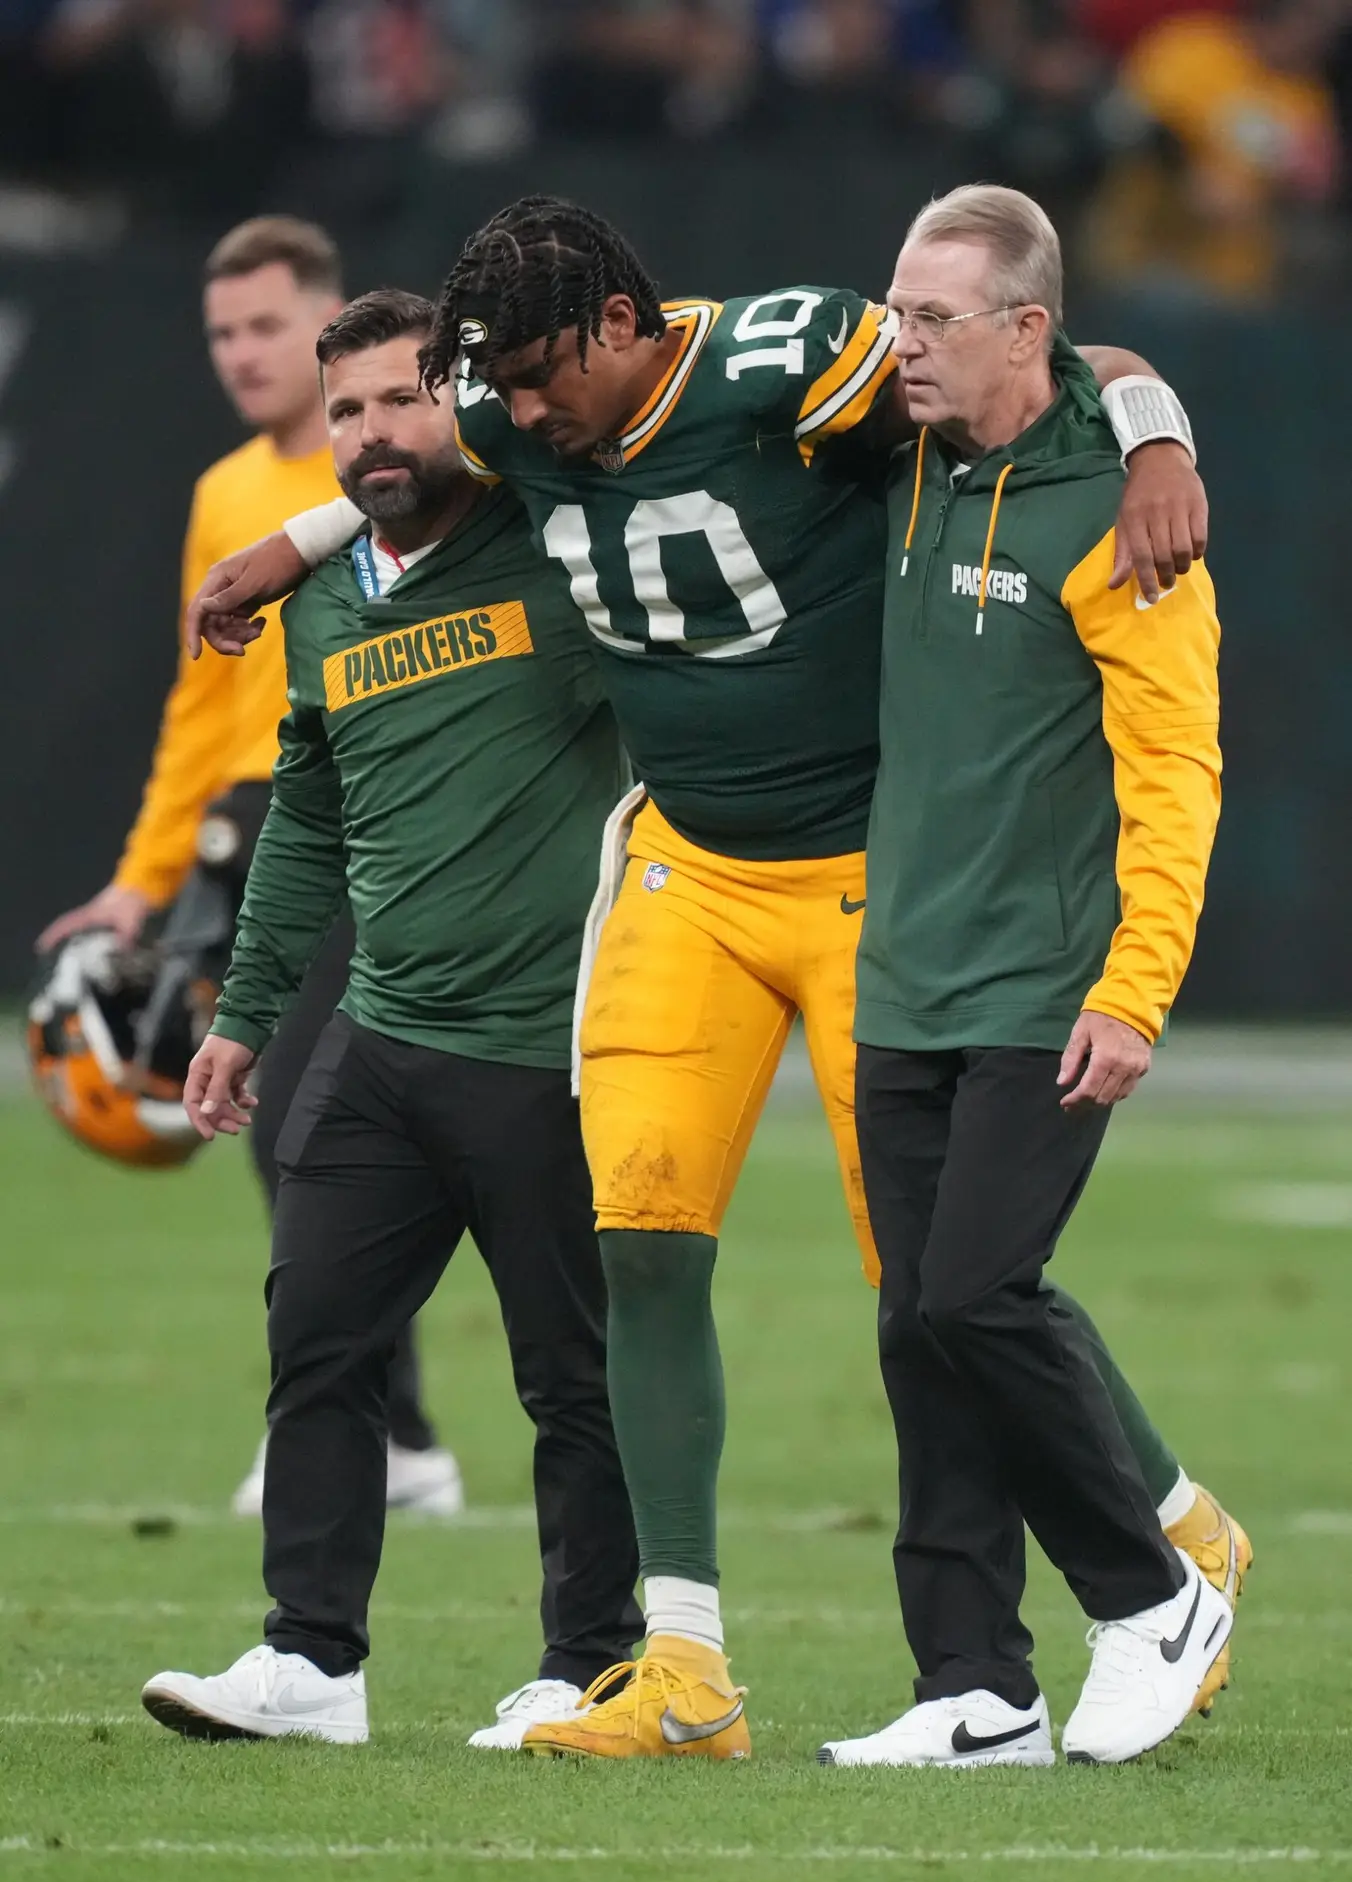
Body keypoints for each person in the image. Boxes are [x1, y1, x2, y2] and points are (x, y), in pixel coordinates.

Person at [185, 198, 1245, 1763]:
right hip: (687, 866)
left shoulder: (790, 357)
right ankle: (682, 1671)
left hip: (879, 873)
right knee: (646, 1240)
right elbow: (423, 465)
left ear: (619, 331)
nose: (523, 412)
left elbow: (1047, 363)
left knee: (944, 1291)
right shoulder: (508, 390)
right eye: (506, 385)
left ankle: (1146, 1547)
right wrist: (299, 535)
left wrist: (1156, 437)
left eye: (547, 375)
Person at [140, 290, 641, 1749]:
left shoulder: (559, 537)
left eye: (402, 401)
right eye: (347, 409)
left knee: (572, 1375)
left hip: (548, 1038)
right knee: (321, 1337)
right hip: (382, 1030)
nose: (371, 434)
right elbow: (306, 808)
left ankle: (592, 1661)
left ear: (466, 402)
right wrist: (245, 1013)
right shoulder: (335, 594)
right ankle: (311, 1660)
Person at [820, 186, 1229, 1772]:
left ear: (1025, 331)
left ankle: (1155, 1599)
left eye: (935, 320)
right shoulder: (903, 442)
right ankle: (972, 1686)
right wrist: (1156, 414)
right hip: (903, 970)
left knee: (979, 1295)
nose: (900, 344)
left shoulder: (1128, 520)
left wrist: (1134, 993)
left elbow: (1176, 774)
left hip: (1047, 988)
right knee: (917, 1330)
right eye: (897, 311)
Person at [37, 217, 460, 1520]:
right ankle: (397, 1437)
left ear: (329, 324)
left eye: (268, 325)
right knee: (287, 1133)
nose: (240, 353)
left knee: (303, 1128)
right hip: (252, 827)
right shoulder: (227, 492)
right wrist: (141, 875)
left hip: (371, 823)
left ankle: (365, 1431)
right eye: (221, 331)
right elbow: (198, 701)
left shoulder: (419, 468)